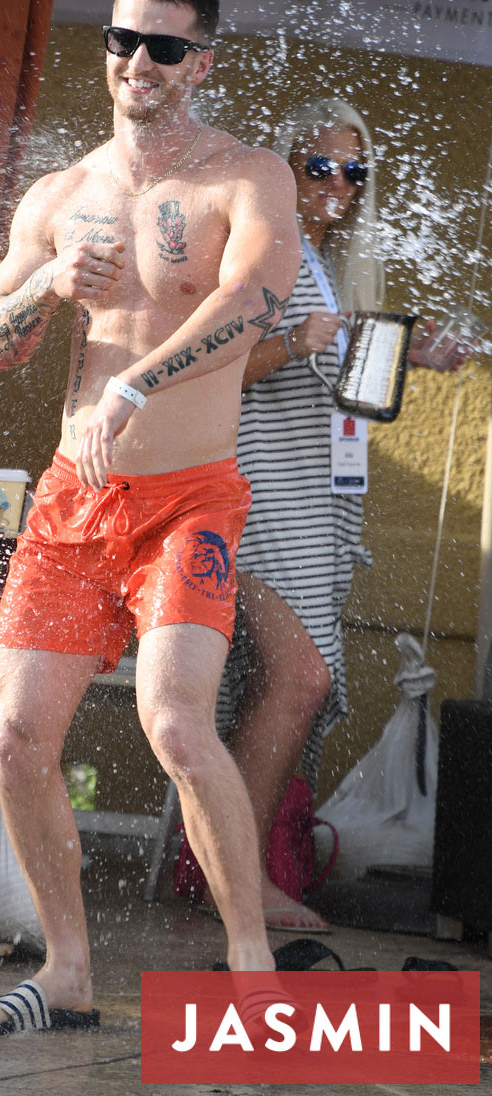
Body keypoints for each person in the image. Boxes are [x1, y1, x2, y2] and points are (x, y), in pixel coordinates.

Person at [0, 0, 300, 1034]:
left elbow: (251, 302)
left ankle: (252, 973)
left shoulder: (247, 176)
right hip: (74, 500)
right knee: (15, 737)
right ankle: (67, 971)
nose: (137, 65)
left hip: (188, 498)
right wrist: (45, 287)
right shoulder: (59, 195)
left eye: (162, 47)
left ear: (200, 61)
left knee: (173, 724)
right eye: (122, 43)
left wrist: (138, 379)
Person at [212, 97, 460, 932]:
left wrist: (406, 355)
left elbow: (341, 390)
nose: (339, 185)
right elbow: (204, 367)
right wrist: (297, 343)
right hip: (249, 499)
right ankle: (239, 885)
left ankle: (233, 870)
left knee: (273, 692)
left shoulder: (324, 264)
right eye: (320, 166)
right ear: (284, 169)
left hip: (309, 505)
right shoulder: (261, 254)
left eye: (355, 171)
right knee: (301, 679)